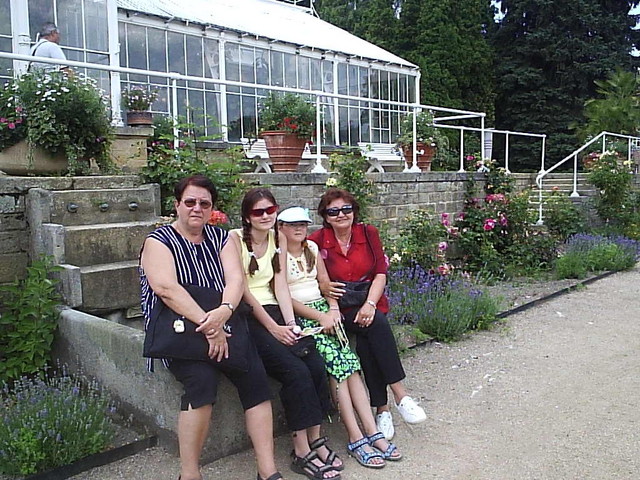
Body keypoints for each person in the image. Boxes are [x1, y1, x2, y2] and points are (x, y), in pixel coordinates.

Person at [139, 176, 282, 480]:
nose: (197, 208)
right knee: (201, 383)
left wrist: (224, 312)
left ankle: (267, 471)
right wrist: (210, 326)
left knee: (255, 378)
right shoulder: (158, 241)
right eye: (190, 202)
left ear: (212, 208)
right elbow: (166, 289)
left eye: (204, 203)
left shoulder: (221, 238)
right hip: (180, 328)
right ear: (177, 205)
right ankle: (190, 474)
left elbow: (236, 280)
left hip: (223, 319)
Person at [230, 188, 341, 480]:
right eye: (258, 212)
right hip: (251, 316)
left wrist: (291, 323)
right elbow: (242, 290)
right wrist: (274, 328)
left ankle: (315, 438)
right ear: (247, 216)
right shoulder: (235, 240)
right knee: (295, 371)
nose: (266, 216)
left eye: (270, 210)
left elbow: (279, 284)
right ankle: (300, 450)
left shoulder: (276, 237)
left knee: (314, 363)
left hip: (277, 311)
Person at [278, 206, 402, 469]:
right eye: (292, 225)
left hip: (325, 312)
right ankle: (355, 436)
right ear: (281, 228)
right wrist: (319, 317)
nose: (299, 229)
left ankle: (372, 432)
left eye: (303, 224)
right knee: (337, 369)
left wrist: (333, 310)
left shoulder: (312, 248)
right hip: (304, 317)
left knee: (351, 366)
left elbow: (326, 285)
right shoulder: (277, 255)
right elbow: (284, 295)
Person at [308, 188, 427, 441]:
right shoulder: (316, 241)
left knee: (369, 337)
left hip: (369, 301)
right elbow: (308, 275)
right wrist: (324, 286)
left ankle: (383, 409)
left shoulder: (368, 233)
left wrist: (370, 304)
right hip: (340, 308)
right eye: (333, 211)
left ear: (354, 211)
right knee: (376, 326)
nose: (341, 215)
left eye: (346, 209)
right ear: (325, 216)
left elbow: (380, 273)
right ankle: (400, 396)